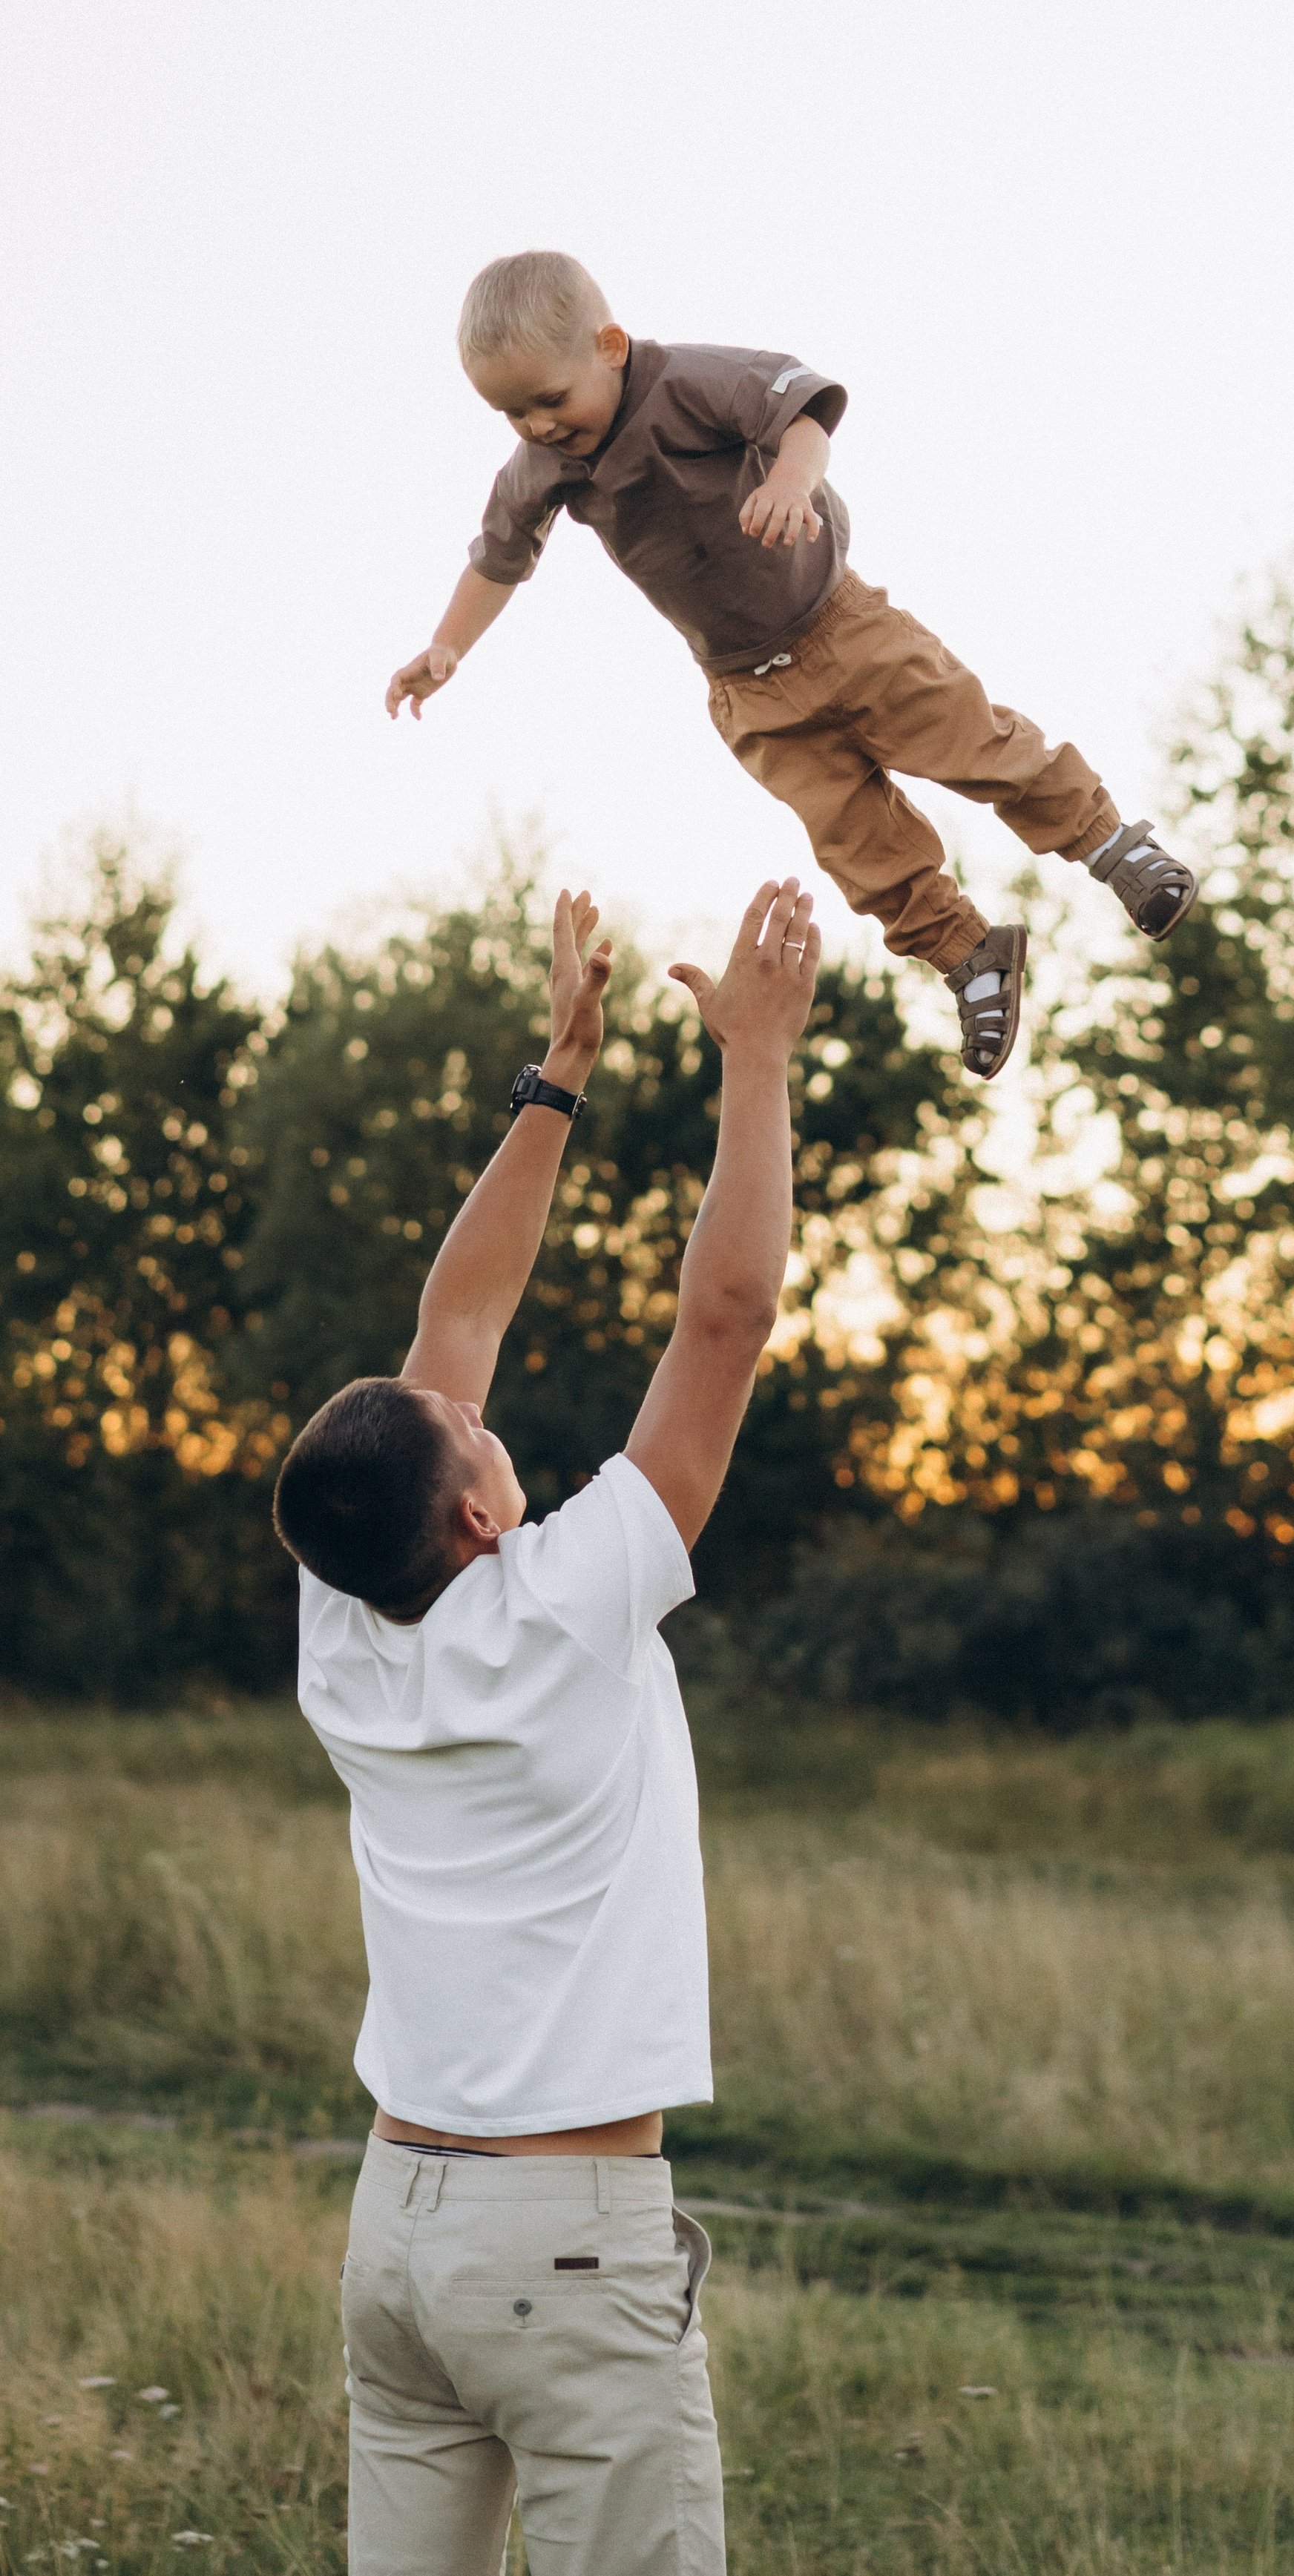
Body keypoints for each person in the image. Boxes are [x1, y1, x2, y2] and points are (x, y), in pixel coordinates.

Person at [272, 874, 821, 2576]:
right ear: (478, 1517)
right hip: (565, 2242)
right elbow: (721, 1324)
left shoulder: (343, 1618)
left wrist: (559, 1075)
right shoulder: (569, 1595)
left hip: (399, 2237)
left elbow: (455, 1327)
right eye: (468, 1431)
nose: (471, 1401)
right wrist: (755, 1059)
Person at [382, 248, 1198, 1082]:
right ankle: (970, 955)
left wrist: (792, 481)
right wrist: (447, 646)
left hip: (843, 629)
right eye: (512, 414)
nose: (539, 427)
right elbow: (498, 558)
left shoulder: (686, 382)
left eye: (550, 400)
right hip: (746, 691)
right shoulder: (540, 468)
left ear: (611, 346)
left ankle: (1113, 846)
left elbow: (804, 411)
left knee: (976, 746)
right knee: (856, 842)